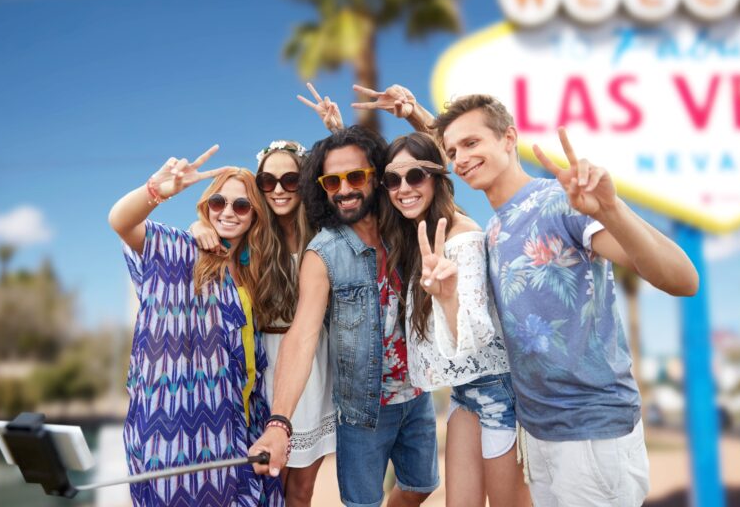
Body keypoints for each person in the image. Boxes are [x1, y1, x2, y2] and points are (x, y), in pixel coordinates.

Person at [430, 94, 700, 507]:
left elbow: (682, 279)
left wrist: (610, 209)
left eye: (471, 143)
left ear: (509, 138)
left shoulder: (561, 202)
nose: (460, 158)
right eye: (452, 152)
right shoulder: (495, 231)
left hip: (593, 432)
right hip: (539, 433)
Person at [250, 126, 438, 507]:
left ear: (376, 176)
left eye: (355, 177)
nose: (344, 189)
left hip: (418, 394)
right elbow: (301, 335)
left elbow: (438, 174)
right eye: (331, 181)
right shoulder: (323, 252)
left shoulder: (404, 225)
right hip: (362, 409)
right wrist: (279, 422)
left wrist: (416, 115)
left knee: (421, 486)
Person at [107, 146, 284, 506]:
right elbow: (121, 222)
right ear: (207, 206)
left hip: (239, 428)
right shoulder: (178, 251)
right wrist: (156, 191)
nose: (228, 212)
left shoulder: (252, 275)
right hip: (176, 441)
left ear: (254, 216)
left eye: (242, 205)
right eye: (219, 202)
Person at [378, 131, 530, 507]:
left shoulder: (461, 237)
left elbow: (477, 332)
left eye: (415, 176)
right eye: (392, 180)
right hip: (465, 393)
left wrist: (446, 298)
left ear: (437, 178)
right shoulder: (418, 235)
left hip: (499, 391)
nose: (403, 188)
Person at [190, 140, 336, 506]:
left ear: (305, 182)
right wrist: (197, 225)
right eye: (267, 181)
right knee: (269, 482)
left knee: (301, 490)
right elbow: (216, 230)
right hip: (263, 365)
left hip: (313, 360)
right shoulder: (253, 235)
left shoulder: (324, 233)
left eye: (290, 179)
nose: (279, 189)